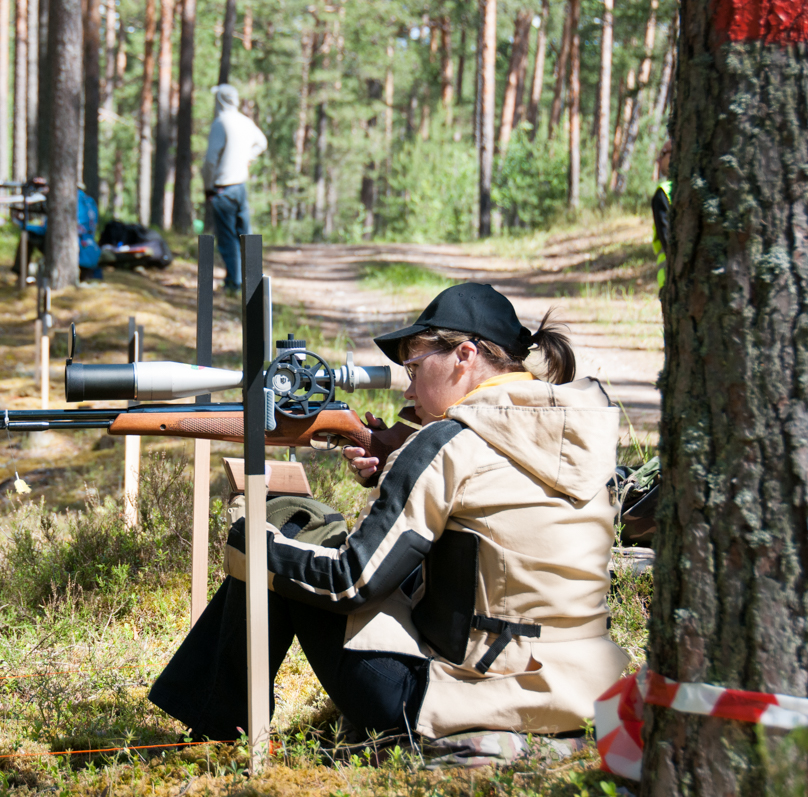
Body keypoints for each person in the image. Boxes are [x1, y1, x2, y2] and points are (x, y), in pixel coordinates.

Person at [149, 283, 628, 742]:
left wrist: (250, 540)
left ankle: (217, 726)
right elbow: (496, 544)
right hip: (584, 693)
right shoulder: (575, 434)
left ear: (465, 356)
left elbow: (350, 582)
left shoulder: (447, 445)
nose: (408, 392)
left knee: (284, 523)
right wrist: (396, 472)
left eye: (414, 369)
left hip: (464, 698)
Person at [201, 85, 267, 293]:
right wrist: (248, 157)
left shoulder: (221, 123)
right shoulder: (245, 121)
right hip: (240, 188)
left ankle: (234, 284)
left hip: (223, 189)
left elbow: (210, 160)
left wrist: (208, 187)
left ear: (220, 100)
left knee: (228, 239)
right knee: (246, 236)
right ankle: (252, 283)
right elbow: (262, 143)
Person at [652, 140, 672, 288]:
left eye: (663, 154)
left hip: (670, 279)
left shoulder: (663, 193)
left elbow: (667, 241)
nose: (658, 160)